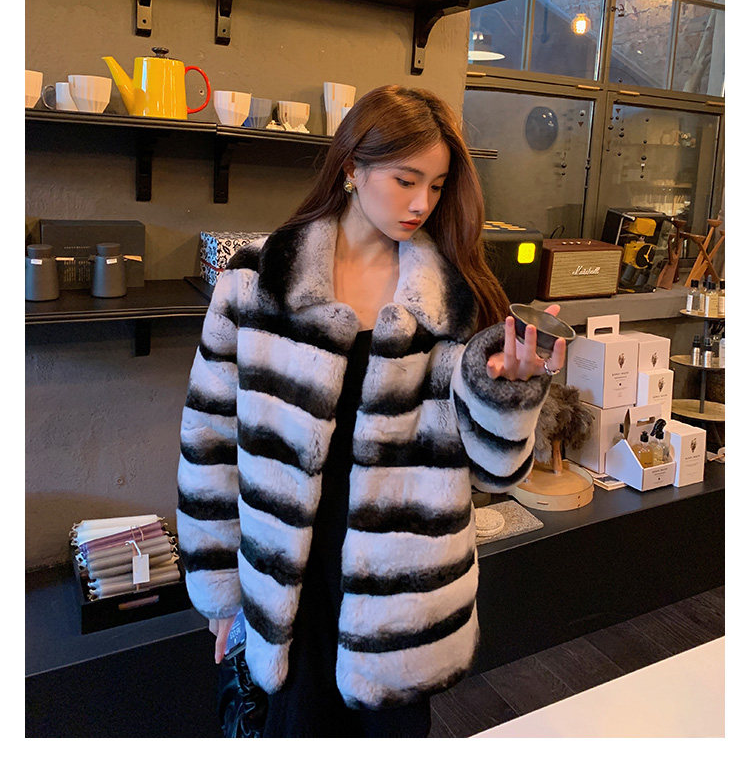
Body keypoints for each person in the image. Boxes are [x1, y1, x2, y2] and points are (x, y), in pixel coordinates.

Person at [177, 84, 567, 737]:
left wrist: (510, 393)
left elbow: (492, 474)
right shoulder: (256, 283)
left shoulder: (453, 301)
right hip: (290, 588)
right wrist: (220, 590)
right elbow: (209, 440)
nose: (421, 204)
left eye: (436, 186)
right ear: (352, 168)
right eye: (405, 180)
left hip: (402, 605)